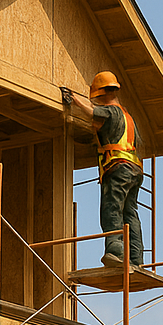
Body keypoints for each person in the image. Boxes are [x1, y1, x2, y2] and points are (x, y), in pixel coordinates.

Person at [60, 72, 144, 267]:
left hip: (117, 167)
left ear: (103, 92)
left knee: (112, 208)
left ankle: (115, 250)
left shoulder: (111, 111)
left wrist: (74, 100)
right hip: (134, 169)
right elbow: (98, 116)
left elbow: (93, 112)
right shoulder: (126, 116)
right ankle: (136, 257)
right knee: (130, 213)